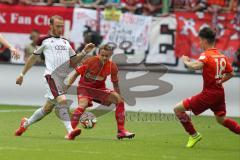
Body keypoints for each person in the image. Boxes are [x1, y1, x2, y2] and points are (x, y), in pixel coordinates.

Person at [15, 15, 95, 140]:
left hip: (62, 79)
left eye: (61, 26)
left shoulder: (65, 42)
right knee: (62, 100)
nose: (60, 29)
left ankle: (25, 123)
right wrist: (22, 74)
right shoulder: (44, 40)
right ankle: (70, 131)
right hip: (51, 76)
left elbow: (74, 61)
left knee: (47, 109)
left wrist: (84, 52)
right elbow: (32, 58)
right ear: (51, 26)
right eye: (57, 26)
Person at [173, 27, 240, 148]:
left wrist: (186, 61)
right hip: (219, 93)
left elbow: (196, 66)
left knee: (178, 109)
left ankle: (194, 135)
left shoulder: (206, 55)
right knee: (221, 119)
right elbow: (231, 73)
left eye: (200, 40)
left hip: (209, 94)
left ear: (204, 40)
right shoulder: (221, 56)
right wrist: (219, 81)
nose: (199, 43)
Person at [68, 44, 135, 139]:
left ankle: (121, 131)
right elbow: (75, 74)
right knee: (82, 105)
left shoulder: (113, 67)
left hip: (99, 90)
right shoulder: (89, 61)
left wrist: (118, 98)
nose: (104, 58)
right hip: (84, 88)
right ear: (98, 54)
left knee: (120, 100)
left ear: (110, 55)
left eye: (106, 56)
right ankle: (70, 132)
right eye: (102, 55)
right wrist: (67, 87)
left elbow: (115, 84)